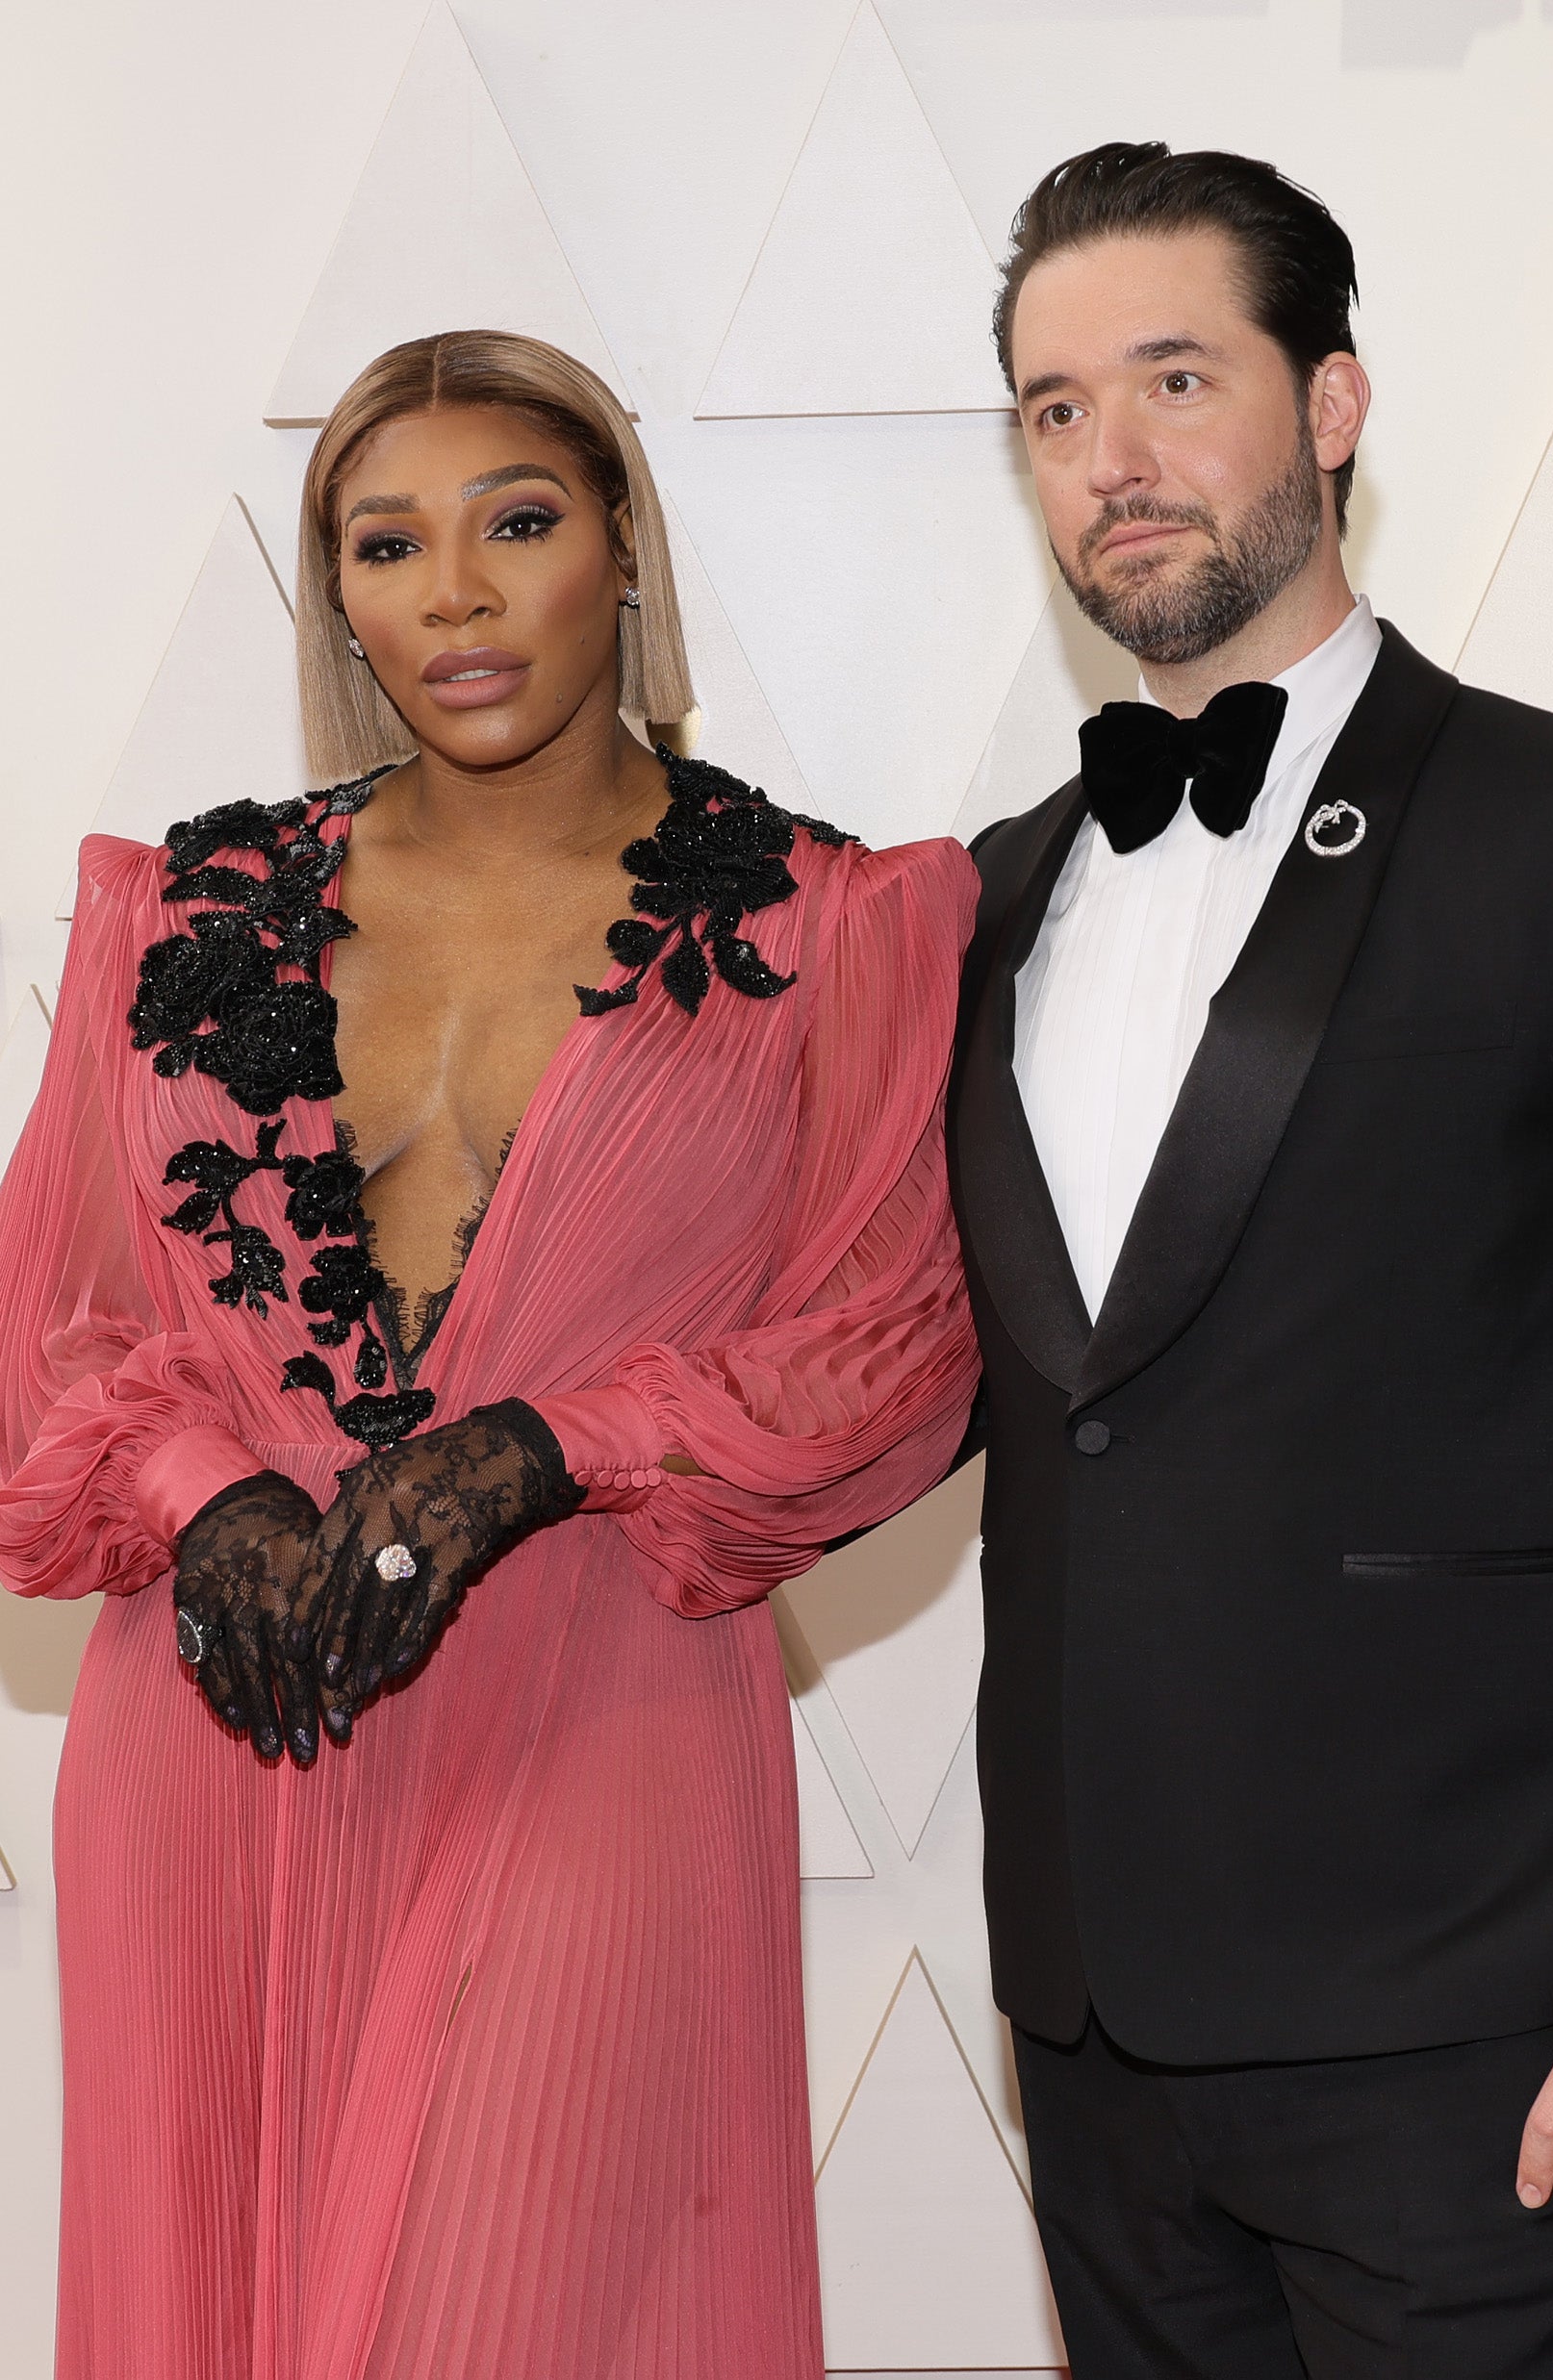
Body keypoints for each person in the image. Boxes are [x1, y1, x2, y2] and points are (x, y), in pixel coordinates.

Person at [0, 328, 980, 2380]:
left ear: (620, 549)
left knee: (525, 2309)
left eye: (515, 522)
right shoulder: (182, 910)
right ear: (338, 595)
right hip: (221, 1723)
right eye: (385, 543)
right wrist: (202, 1488)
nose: (450, 593)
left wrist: (549, 1446)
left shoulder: (828, 926)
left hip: (597, 1701)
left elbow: (889, 1348)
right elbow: (50, 1336)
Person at [948, 143, 1553, 2377]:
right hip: (1100, 2036)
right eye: (1051, 408)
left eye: (1172, 378)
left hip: (1492, 2031)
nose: (1110, 461)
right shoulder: (993, 895)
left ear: (1331, 405)